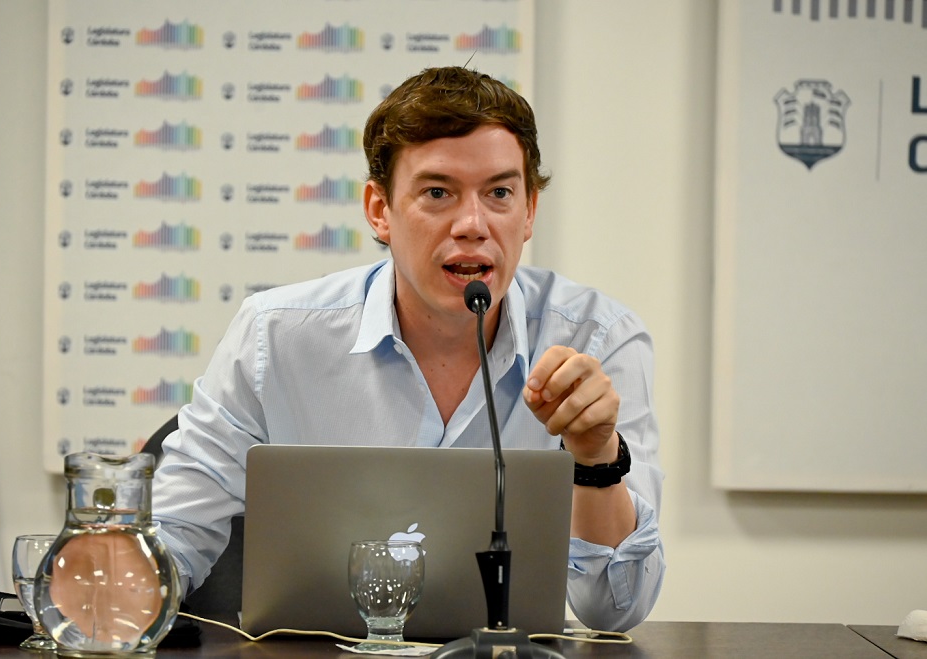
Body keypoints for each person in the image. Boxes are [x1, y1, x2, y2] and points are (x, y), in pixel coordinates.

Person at [152, 66, 664, 633]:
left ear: (529, 212)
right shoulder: (275, 337)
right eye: (437, 193)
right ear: (380, 211)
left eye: (499, 193)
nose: (472, 225)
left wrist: (596, 457)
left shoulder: (599, 339)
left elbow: (615, 611)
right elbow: (170, 538)